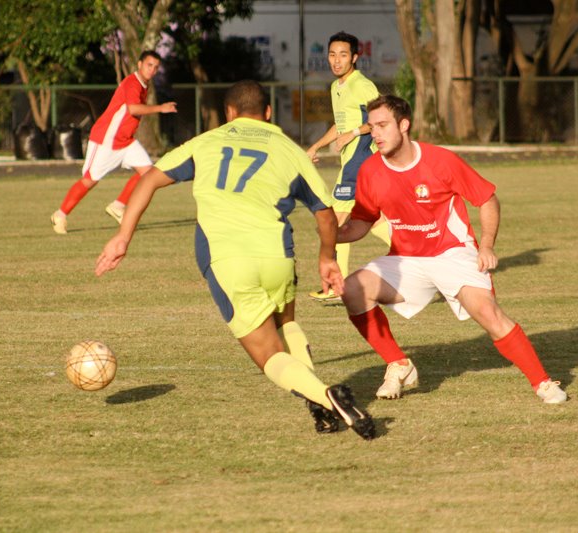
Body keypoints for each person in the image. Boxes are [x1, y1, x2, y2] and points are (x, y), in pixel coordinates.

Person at [95, 80, 376, 440]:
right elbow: (324, 213)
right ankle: (320, 407)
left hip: (229, 260)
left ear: (229, 113)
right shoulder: (288, 148)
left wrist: (123, 237)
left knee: (269, 355)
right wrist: (327, 258)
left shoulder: (208, 141)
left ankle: (326, 396)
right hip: (278, 256)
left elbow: (149, 179)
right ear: (269, 113)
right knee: (285, 322)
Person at [337, 94, 568, 404]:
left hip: (452, 252)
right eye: (372, 127)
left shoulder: (440, 161)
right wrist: (331, 234)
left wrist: (486, 246)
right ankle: (399, 363)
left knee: (488, 313)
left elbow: (487, 198)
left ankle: (542, 382)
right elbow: (362, 223)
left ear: (404, 125)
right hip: (406, 259)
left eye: (382, 126)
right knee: (352, 289)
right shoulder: (370, 170)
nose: (375, 134)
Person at [51, 50, 177, 234]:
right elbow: (133, 109)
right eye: (149, 65)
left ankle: (118, 206)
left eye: (156, 67)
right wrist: (161, 108)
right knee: (90, 181)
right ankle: (60, 215)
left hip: (126, 141)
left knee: (148, 174)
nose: (152, 70)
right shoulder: (132, 83)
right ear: (140, 64)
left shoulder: (144, 85)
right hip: (107, 139)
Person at [306, 31, 391, 301]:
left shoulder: (361, 85)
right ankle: (423, 255)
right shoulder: (336, 87)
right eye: (332, 55)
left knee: (334, 223)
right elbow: (340, 126)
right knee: (374, 220)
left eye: (343, 55)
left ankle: (334, 285)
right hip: (353, 163)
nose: (336, 60)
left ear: (354, 57)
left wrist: (353, 134)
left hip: (361, 162)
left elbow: (380, 118)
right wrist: (316, 145)